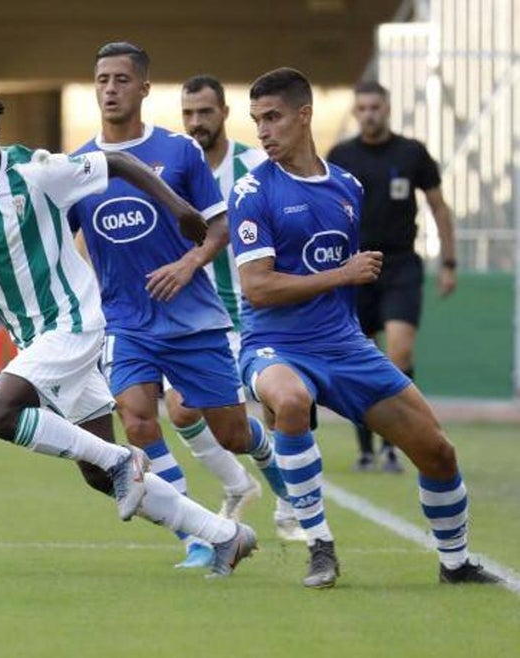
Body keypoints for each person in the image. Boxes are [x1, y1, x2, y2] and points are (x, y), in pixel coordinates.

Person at [0, 89, 258, 578]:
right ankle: (223, 535)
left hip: (74, 322)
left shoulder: (37, 172)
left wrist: (178, 208)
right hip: (39, 338)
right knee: (94, 474)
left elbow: (119, 163)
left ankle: (119, 460)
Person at [229, 67, 498, 588]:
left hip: (344, 345)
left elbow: (342, 281)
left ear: (303, 115)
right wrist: (341, 274)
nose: (262, 131)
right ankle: (320, 545)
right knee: (287, 399)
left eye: (273, 118)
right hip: (275, 344)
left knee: (437, 450)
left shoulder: (346, 187)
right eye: (256, 120)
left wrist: (347, 290)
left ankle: (455, 562)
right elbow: (258, 288)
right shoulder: (252, 191)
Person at [65, 44, 291, 570]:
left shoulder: (180, 152)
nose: (111, 89)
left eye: (122, 79)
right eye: (102, 79)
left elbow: (219, 225)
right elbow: (61, 242)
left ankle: (278, 473)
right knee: (138, 420)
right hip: (125, 320)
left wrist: (189, 265)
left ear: (144, 88)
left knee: (230, 432)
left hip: (193, 318)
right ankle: (197, 535)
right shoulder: (78, 166)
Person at [176, 73, 305, 543]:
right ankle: (239, 483)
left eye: (205, 112)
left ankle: (291, 502)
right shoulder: (174, 167)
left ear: (225, 113)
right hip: (195, 317)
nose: (195, 122)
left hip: (250, 312)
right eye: (188, 113)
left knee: (270, 408)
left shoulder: (254, 165)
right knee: (184, 412)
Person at [327, 80, 456, 473]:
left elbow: (438, 208)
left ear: (387, 109)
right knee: (360, 357)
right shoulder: (341, 155)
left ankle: (393, 446)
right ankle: (366, 449)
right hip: (354, 268)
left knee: (399, 353)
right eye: (362, 108)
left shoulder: (412, 153)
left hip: (400, 265)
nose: (369, 114)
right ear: (355, 112)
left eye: (375, 107)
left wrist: (449, 263)